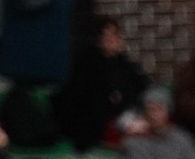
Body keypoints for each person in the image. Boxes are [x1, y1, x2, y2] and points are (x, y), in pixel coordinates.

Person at [55, 16, 148, 151]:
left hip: (123, 116)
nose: (110, 40)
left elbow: (140, 88)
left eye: (114, 35)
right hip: (93, 122)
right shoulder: (86, 63)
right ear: (98, 39)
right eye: (105, 35)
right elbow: (81, 97)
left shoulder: (125, 65)